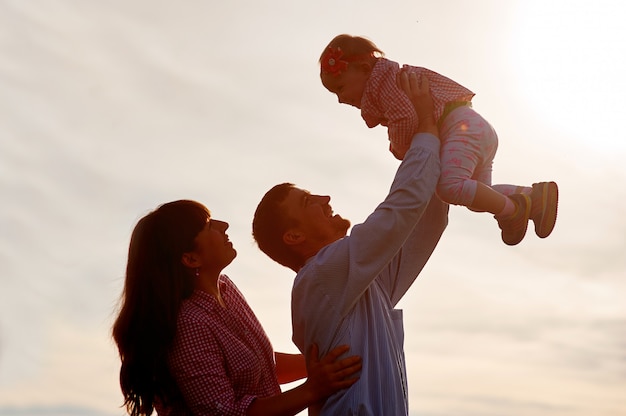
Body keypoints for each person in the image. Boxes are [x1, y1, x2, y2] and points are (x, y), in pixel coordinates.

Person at [252, 73, 447, 415]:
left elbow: (427, 218)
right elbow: (401, 210)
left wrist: (437, 138)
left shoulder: (360, 282)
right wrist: (427, 123)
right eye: (307, 201)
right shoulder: (321, 274)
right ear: (294, 237)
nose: (325, 197)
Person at [111, 200, 362, 416]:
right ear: (190, 258)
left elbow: (259, 368)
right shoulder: (188, 326)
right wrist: (313, 389)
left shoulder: (226, 289)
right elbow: (229, 412)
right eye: (208, 225)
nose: (223, 225)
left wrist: (323, 365)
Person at [318, 33, 559, 246]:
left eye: (340, 87)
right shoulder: (388, 81)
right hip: (473, 126)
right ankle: (532, 197)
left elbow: (405, 117)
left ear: (364, 68)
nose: (340, 99)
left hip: (461, 128)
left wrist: (399, 147)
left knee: (449, 187)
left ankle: (513, 211)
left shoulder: (385, 85)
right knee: (479, 197)